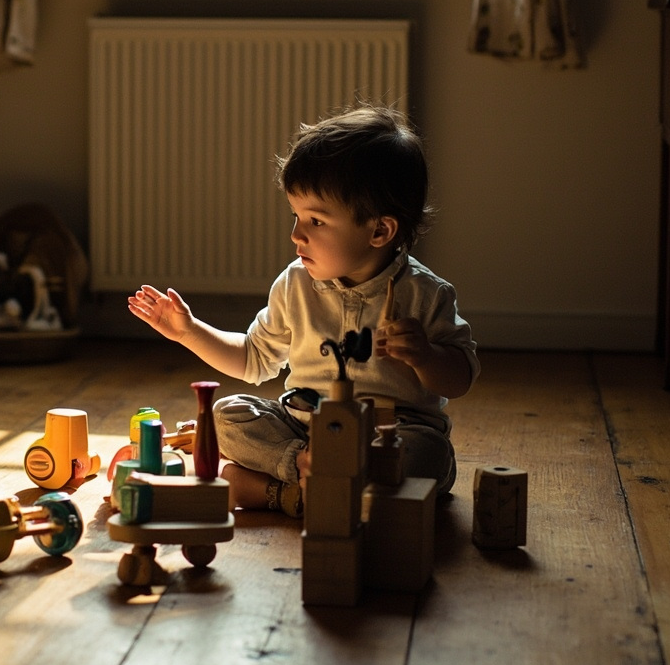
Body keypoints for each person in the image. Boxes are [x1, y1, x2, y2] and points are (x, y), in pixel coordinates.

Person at [127, 103, 479, 517]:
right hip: (305, 429)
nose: (296, 234)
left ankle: (286, 493)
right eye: (296, 215)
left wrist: (426, 356)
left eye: (316, 221)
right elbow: (253, 360)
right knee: (227, 415)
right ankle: (308, 472)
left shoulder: (426, 294)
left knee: (428, 452)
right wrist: (189, 331)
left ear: (380, 230)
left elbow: (459, 379)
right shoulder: (295, 284)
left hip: (388, 433)